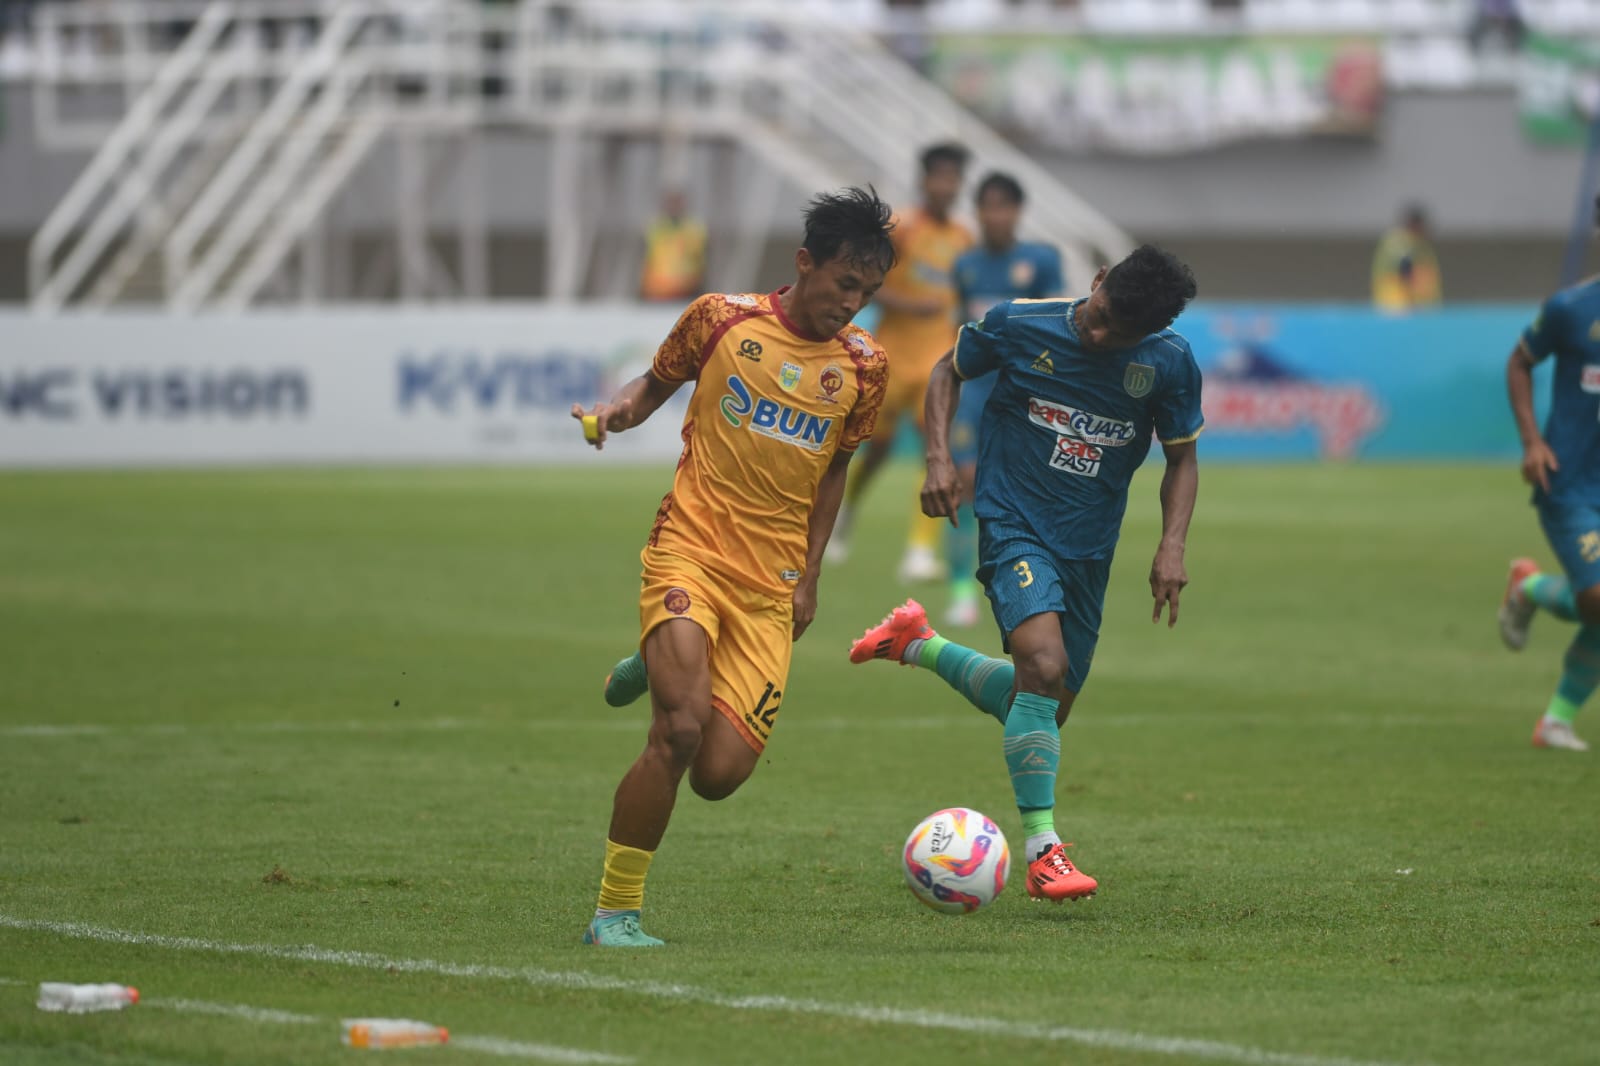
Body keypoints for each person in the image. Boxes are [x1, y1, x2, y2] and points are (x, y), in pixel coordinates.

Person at [571, 187, 894, 946]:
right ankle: (615, 914)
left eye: (868, 292)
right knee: (678, 733)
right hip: (691, 546)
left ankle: (660, 660)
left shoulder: (863, 366)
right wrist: (616, 412)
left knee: (718, 774)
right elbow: (652, 385)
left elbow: (837, 470)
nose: (853, 303)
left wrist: (810, 575)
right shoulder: (721, 318)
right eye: (845, 283)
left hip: (769, 583)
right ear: (805, 261)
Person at [849, 245, 1201, 902]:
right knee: (1042, 666)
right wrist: (936, 460)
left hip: (1090, 544)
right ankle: (1045, 851)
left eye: (1117, 333)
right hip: (1012, 519)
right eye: (1098, 315)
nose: (1098, 335)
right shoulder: (1019, 322)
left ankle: (917, 644)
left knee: (1041, 704)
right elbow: (947, 372)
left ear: (1148, 333)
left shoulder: (1169, 362)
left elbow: (1182, 458)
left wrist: (1171, 546)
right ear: (1096, 283)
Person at [827, 142, 972, 581]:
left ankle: (918, 549)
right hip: (890, 356)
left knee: (936, 447)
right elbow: (871, 285)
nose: (947, 186)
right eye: (940, 177)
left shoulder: (964, 239)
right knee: (874, 452)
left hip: (938, 359)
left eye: (954, 178)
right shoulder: (903, 229)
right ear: (924, 180)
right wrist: (911, 306)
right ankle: (843, 512)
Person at [944, 172, 1065, 627]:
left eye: (1003, 207)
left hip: (1022, 392)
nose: (994, 216)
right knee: (965, 482)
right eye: (986, 207)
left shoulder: (1040, 261)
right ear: (976, 211)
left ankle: (1022, 584)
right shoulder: (966, 264)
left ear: (1016, 211)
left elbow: (1056, 324)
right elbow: (960, 330)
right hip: (975, 391)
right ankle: (961, 590)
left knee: (1023, 493)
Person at [1496, 226, 1600, 752]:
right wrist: (1532, 441)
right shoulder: (1571, 308)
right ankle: (1530, 589)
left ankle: (1554, 722)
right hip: (1569, 479)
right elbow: (1519, 362)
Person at [1371, 204, 1442, 314]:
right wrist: (1412, 300)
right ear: (1415, 224)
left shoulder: (1417, 242)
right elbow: (1405, 267)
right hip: (1399, 306)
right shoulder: (1401, 241)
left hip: (1412, 306)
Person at [640, 189, 708, 303]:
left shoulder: (694, 229)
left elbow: (699, 261)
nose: (673, 206)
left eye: (676, 202)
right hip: (656, 291)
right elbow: (648, 259)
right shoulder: (655, 227)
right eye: (671, 202)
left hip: (685, 290)